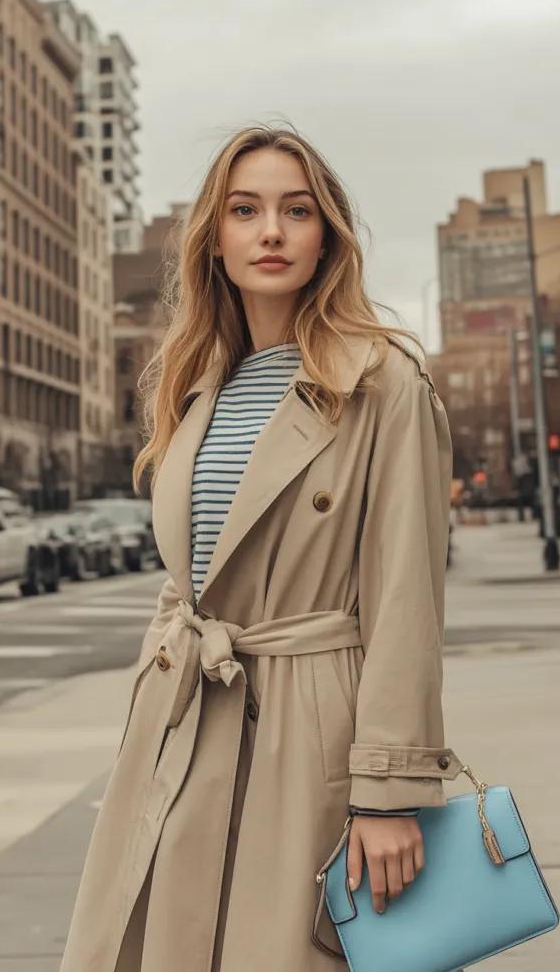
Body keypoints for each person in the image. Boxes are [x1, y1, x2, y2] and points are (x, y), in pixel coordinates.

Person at [60, 125, 455, 972]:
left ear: (327, 237)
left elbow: (404, 600)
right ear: (215, 238)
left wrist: (389, 791)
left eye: (295, 210)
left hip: (309, 728)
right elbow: (189, 579)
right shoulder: (193, 383)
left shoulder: (381, 381)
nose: (270, 231)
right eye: (245, 210)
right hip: (187, 726)